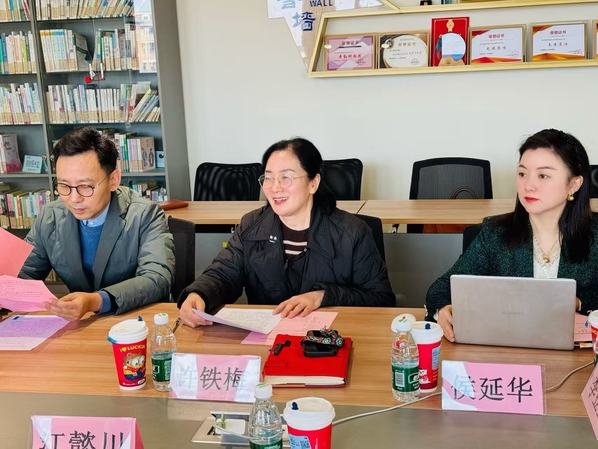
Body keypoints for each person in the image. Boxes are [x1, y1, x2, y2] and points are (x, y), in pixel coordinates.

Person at [178, 137, 395, 327]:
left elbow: (381, 299)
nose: (275, 187)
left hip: (331, 340)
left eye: (286, 177)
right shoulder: (251, 225)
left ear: (313, 183)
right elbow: (223, 274)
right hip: (267, 342)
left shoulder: (352, 232)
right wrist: (199, 293)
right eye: (268, 178)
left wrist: (323, 296)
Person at [426, 128, 598, 341]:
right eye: (522, 173)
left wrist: (578, 302)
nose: (528, 185)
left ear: (574, 184)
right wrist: (443, 309)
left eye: (543, 175)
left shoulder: (595, 235)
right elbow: (441, 288)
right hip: (508, 350)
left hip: (579, 356)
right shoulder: (495, 233)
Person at [19, 127, 175, 320]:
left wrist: (96, 301)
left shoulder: (144, 215)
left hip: (137, 322)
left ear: (113, 180)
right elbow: (23, 275)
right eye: (64, 186)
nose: (74, 198)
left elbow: (157, 279)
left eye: (85, 186)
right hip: (81, 327)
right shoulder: (50, 217)